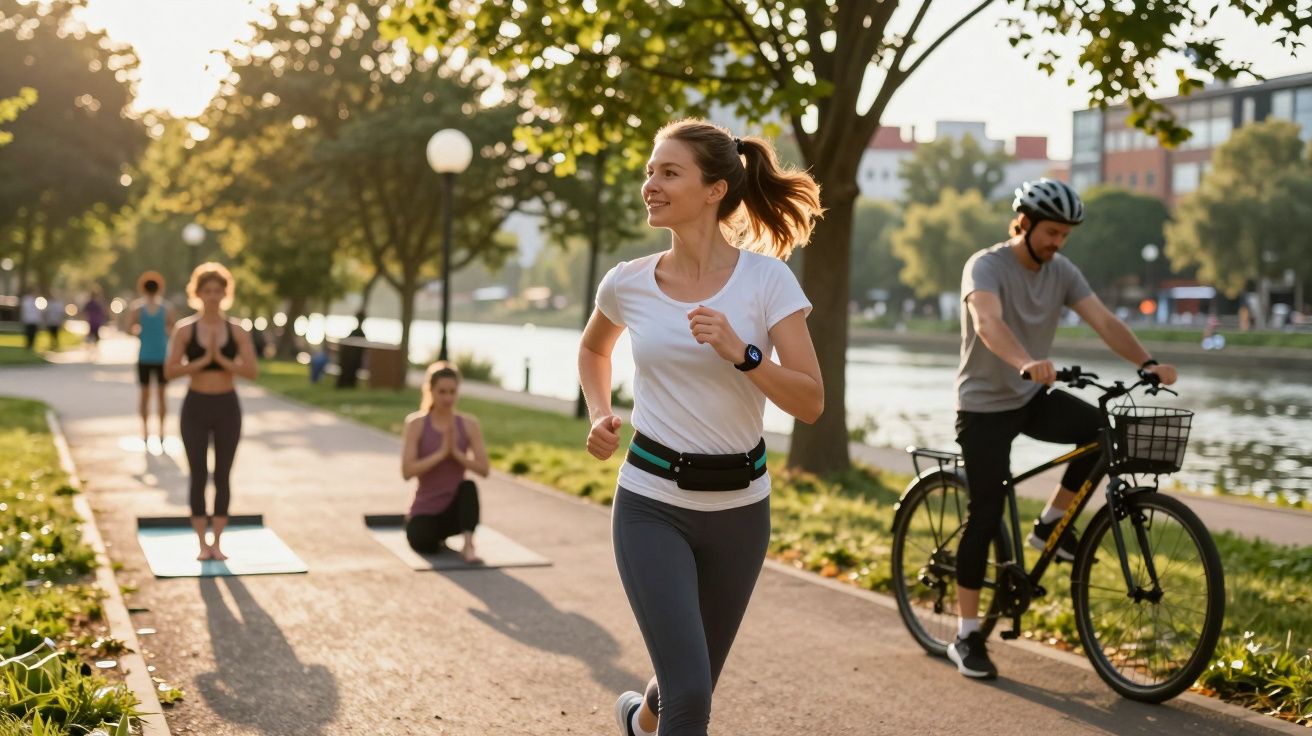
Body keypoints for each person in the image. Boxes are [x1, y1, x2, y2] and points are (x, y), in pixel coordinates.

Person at [578, 119, 823, 736]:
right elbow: (593, 351)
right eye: (649, 172)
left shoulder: (768, 282)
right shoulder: (628, 283)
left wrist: (744, 354)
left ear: (714, 190)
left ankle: (639, 721)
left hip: (742, 510)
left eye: (668, 172)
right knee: (692, 694)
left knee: (689, 679)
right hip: (651, 504)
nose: (650, 185)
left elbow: (813, 401)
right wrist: (600, 413)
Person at [949, 178, 1178, 680]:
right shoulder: (985, 266)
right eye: (1051, 232)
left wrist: (1148, 361)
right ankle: (967, 635)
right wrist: (1026, 361)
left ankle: (1052, 522)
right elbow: (988, 323)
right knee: (984, 514)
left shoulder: (1062, 271)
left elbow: (1102, 319)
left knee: (1102, 430)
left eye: (1064, 235)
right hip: (984, 405)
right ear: (1025, 223)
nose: (1057, 243)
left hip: (1031, 397)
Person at [164, 263, 258, 561]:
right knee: (198, 473)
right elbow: (170, 371)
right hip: (195, 406)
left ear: (225, 293)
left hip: (227, 406)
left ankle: (217, 542)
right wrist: (203, 361)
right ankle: (201, 544)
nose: (213, 296)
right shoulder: (185, 329)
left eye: (218, 291)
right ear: (198, 293)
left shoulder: (237, 330)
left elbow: (252, 371)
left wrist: (223, 360)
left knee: (223, 474)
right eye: (208, 291)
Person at [400, 362, 490, 563]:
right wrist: (441, 454)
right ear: (430, 390)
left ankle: (469, 545)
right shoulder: (416, 424)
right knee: (426, 545)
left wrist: (457, 454)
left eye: (452, 391)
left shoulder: (468, 424)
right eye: (442, 392)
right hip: (425, 511)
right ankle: (436, 536)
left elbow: (484, 470)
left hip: (454, 511)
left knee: (468, 486)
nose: (448, 398)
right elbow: (406, 472)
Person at [132, 272, 174, 444]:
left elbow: (129, 328)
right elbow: (172, 330)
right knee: (162, 396)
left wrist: (141, 334)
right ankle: (162, 432)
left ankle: (145, 432)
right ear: (159, 288)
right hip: (162, 356)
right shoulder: (166, 308)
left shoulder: (137, 309)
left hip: (144, 357)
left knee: (144, 395)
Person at [336, 311, 368, 389]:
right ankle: (347, 385)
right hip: (353, 361)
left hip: (350, 360)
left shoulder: (356, 333)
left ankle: (346, 385)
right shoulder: (359, 333)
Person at [82, 287, 106, 359]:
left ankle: (91, 351)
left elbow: (83, 311)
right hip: (96, 322)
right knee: (95, 338)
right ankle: (94, 350)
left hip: (91, 322)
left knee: (90, 337)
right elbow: (103, 313)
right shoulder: (98, 303)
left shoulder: (89, 303)